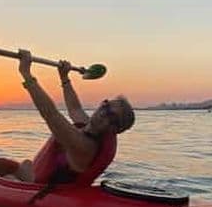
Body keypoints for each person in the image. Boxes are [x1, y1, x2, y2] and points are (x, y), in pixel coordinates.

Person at [13, 49, 135, 185]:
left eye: (110, 116)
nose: (103, 112)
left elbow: (51, 114)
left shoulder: (84, 147)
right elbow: (74, 108)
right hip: (39, 180)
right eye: (106, 105)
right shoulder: (90, 127)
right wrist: (64, 77)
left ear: (115, 130)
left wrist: (26, 74)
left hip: (43, 192)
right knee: (26, 164)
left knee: (9, 175)